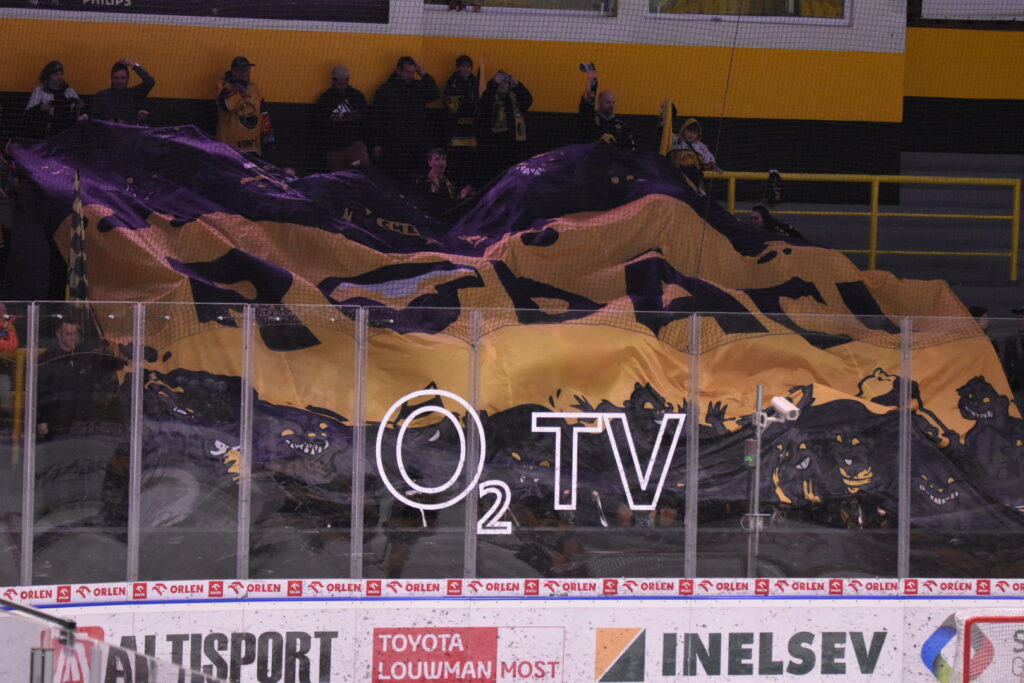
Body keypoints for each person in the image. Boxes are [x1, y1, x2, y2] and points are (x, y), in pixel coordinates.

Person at [36, 318, 121, 440]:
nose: (72, 337)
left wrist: (111, 352)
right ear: (58, 334)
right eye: (68, 334)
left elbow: (107, 368)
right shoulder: (48, 359)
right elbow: (40, 391)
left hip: (83, 420)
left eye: (74, 334)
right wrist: (41, 419)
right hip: (57, 421)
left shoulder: (85, 355)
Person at [370, 56, 441, 184]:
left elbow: (435, 95)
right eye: (407, 72)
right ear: (398, 71)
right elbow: (376, 118)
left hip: (416, 145)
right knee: (394, 181)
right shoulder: (385, 90)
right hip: (393, 146)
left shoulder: (418, 87)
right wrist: (376, 144)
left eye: (413, 72)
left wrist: (423, 74)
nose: (410, 76)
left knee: (415, 181)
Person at [477, 70, 532, 182]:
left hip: (512, 140)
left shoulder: (514, 97)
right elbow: (484, 104)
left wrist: (518, 85)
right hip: (493, 141)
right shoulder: (491, 96)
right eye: (501, 82)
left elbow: (528, 100)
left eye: (506, 82)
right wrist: (493, 83)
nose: (503, 85)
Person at [314, 64, 369, 171]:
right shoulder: (356, 96)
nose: (343, 83)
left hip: (343, 146)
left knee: (342, 177)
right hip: (340, 147)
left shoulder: (325, 98)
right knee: (360, 174)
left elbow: (322, 122)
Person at [216, 56, 269, 157]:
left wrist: (268, 136)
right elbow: (226, 106)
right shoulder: (224, 86)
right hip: (230, 149)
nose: (246, 72)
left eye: (247, 69)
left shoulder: (254, 88)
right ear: (233, 71)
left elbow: (263, 111)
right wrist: (236, 87)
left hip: (252, 148)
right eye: (242, 69)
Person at [443, 55, 480, 184]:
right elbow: (452, 106)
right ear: (458, 68)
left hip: (472, 129)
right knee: (456, 157)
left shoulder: (476, 82)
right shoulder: (452, 83)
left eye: (468, 67)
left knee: (471, 158)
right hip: (456, 128)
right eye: (463, 67)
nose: (466, 69)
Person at [24, 61, 84, 139]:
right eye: (56, 75)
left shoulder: (68, 90)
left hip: (67, 129)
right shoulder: (40, 90)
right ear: (48, 76)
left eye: (61, 74)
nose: (59, 77)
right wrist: (40, 107)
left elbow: (76, 110)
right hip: (47, 131)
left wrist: (79, 106)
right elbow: (28, 113)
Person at [577, 68, 634, 150]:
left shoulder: (620, 124)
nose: (611, 105)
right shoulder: (591, 118)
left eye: (613, 102)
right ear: (599, 102)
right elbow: (587, 102)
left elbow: (629, 147)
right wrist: (590, 82)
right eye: (608, 102)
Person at [90, 57, 156, 125]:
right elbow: (94, 119)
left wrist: (133, 64)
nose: (119, 81)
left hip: (128, 131)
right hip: (107, 131)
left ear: (127, 79)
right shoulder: (101, 96)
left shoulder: (133, 94)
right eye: (116, 78)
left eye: (123, 78)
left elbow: (150, 81)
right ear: (111, 78)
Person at [411, 148, 471, 217]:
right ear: (429, 163)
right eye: (437, 159)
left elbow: (452, 203)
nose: (441, 162)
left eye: (443, 159)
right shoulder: (421, 182)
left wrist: (462, 195)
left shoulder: (449, 183)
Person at [668, 117, 720, 196]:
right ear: (683, 130)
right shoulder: (675, 140)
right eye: (689, 131)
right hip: (675, 179)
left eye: (694, 132)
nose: (691, 134)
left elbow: (709, 162)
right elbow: (663, 133)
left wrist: (714, 167)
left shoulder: (701, 147)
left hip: (694, 179)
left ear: (698, 134)